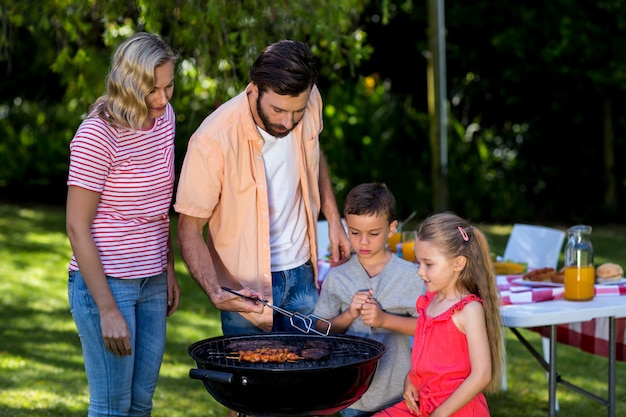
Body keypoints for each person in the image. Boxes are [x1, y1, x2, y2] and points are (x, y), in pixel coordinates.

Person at [174, 39, 351, 337]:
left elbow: (315, 155)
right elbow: (189, 229)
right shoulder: (211, 141)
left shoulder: (310, 100)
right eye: (279, 110)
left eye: (297, 112)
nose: (288, 122)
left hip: (303, 274)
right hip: (246, 291)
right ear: (254, 89)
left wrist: (333, 220)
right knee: (255, 381)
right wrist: (215, 292)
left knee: (309, 379)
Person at [65, 32, 180, 417]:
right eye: (153, 90)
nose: (163, 100)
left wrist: (167, 268)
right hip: (108, 284)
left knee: (140, 406)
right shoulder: (97, 135)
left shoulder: (165, 119)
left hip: (151, 282)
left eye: (169, 87)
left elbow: (158, 207)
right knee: (112, 407)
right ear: (129, 83)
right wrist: (107, 309)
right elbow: (77, 227)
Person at [373, 212, 504, 417]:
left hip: (456, 409)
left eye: (428, 264)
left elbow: (482, 375)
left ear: (458, 264)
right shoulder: (430, 300)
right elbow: (425, 356)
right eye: (418, 262)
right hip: (422, 404)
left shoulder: (469, 309)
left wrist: (440, 414)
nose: (420, 271)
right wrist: (410, 381)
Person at [313, 182, 426, 417]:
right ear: (346, 226)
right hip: (352, 397)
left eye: (373, 234)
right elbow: (320, 328)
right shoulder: (338, 277)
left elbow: (429, 329)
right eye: (355, 233)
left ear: (392, 228)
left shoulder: (412, 277)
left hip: (398, 393)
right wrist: (349, 315)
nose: (363, 242)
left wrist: (384, 320)